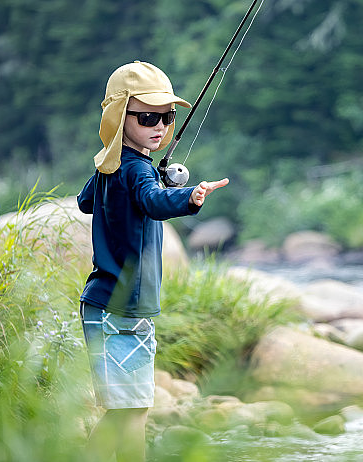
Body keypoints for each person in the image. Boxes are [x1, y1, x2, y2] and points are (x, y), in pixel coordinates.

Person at [77, 61, 228, 462]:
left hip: (114, 307)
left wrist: (128, 170)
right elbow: (151, 200)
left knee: (130, 409)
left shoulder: (112, 165)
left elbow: (86, 201)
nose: (160, 126)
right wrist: (188, 196)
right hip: (119, 310)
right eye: (147, 117)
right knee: (130, 411)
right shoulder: (137, 170)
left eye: (167, 117)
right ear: (118, 116)